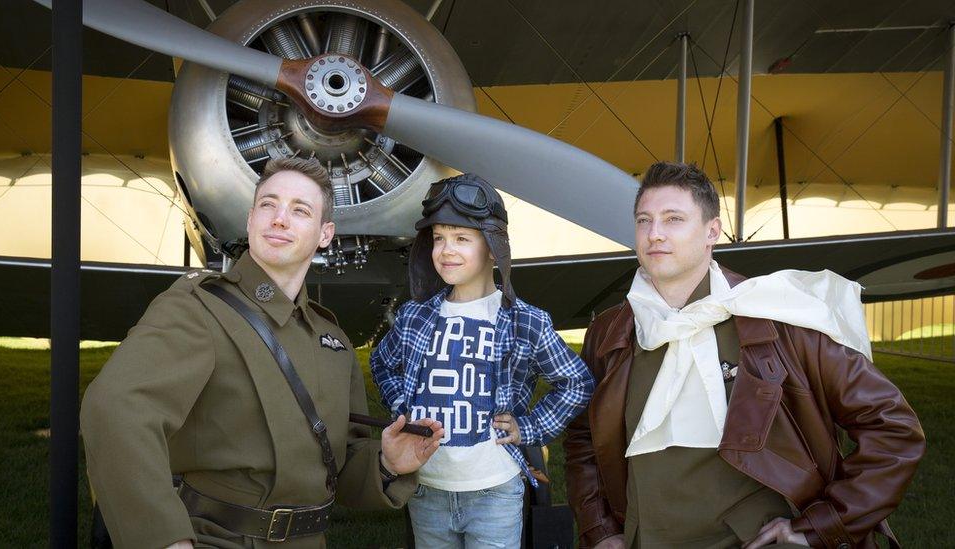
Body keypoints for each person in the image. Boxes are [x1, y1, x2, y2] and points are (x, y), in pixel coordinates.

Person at [80, 157, 443, 549]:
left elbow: (335, 467)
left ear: (325, 234)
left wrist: (387, 464)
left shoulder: (331, 340)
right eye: (268, 205)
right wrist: (165, 540)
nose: (280, 219)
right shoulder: (200, 307)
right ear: (251, 219)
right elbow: (117, 408)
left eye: (300, 210)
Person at [563, 161, 925, 549]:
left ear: (711, 231)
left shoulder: (779, 319)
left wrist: (822, 525)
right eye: (644, 220)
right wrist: (599, 531)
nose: (655, 235)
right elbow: (584, 438)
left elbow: (893, 429)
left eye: (673, 219)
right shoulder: (610, 332)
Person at [370, 173, 595, 548]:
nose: (446, 250)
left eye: (462, 238)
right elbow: (381, 363)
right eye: (438, 238)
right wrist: (402, 407)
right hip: (427, 489)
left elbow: (576, 382)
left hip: (494, 489)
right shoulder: (415, 316)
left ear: (493, 247)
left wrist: (532, 425)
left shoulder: (525, 320)